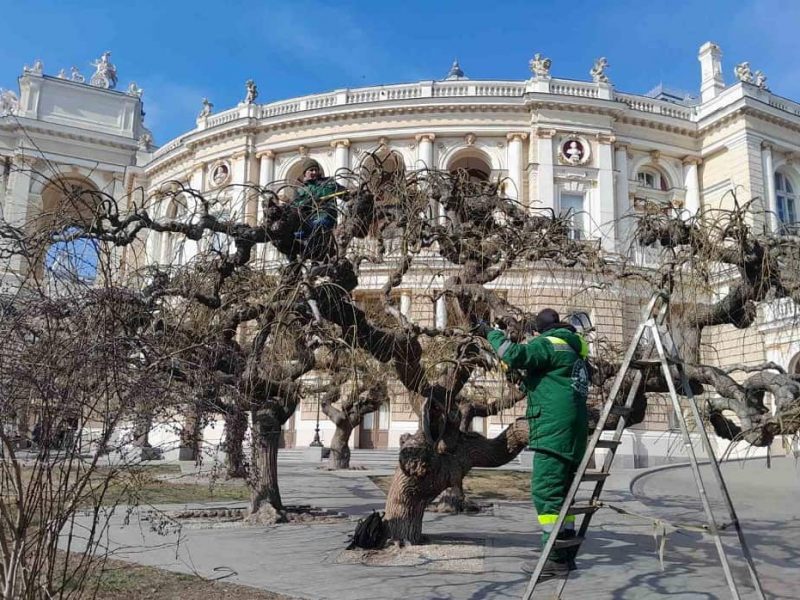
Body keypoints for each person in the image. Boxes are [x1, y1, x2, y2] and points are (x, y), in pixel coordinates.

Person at [476, 308, 590, 579]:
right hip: (573, 433)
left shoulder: (548, 343)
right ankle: (565, 554)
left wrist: (489, 333)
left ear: (539, 331)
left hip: (553, 430)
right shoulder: (573, 351)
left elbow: (515, 354)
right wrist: (516, 375)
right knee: (564, 495)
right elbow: (542, 383)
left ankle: (553, 558)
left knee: (546, 491)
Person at [291, 159, 345, 259]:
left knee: (318, 226)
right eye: (311, 170)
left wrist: (352, 193)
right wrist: (306, 203)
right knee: (291, 236)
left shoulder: (328, 182)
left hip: (326, 217)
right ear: (305, 173)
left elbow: (344, 193)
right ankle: (296, 263)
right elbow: (294, 206)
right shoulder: (300, 189)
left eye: (316, 170)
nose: (314, 172)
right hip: (307, 221)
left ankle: (313, 257)